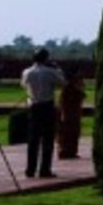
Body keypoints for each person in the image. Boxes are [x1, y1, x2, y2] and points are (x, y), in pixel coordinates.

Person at [20, 48, 66, 178]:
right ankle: (45, 169)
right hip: (47, 106)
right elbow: (63, 83)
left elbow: (23, 85)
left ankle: (30, 169)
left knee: (33, 139)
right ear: (46, 58)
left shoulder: (27, 72)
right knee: (47, 139)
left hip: (33, 106)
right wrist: (58, 69)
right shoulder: (50, 72)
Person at [55, 67, 87, 160]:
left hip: (73, 114)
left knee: (73, 133)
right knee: (67, 133)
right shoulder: (69, 88)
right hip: (69, 114)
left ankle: (71, 151)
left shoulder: (72, 88)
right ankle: (65, 151)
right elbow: (65, 103)